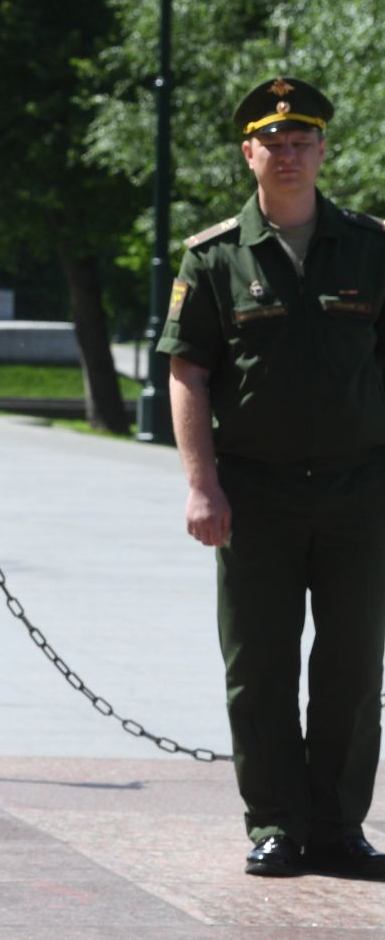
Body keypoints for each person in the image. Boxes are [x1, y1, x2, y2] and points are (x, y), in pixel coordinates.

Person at [157, 76, 385, 882]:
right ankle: (277, 824)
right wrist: (201, 484)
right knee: (260, 668)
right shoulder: (214, 255)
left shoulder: (371, 246)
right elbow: (188, 373)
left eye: (303, 141)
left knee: (355, 669)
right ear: (249, 152)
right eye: (273, 143)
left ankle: (338, 828)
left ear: (323, 150)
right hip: (256, 495)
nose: (288, 155)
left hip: (361, 494)